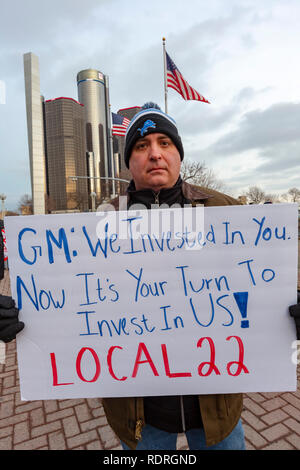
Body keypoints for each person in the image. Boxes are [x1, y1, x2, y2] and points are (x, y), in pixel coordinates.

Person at [0, 102, 299, 451]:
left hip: (216, 408)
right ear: (129, 161)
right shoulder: (97, 223)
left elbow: (264, 283)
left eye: (165, 143)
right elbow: (66, 298)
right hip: (141, 411)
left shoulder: (227, 211)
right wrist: (18, 314)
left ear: (179, 154)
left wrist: (291, 308)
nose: (154, 153)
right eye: (142, 146)